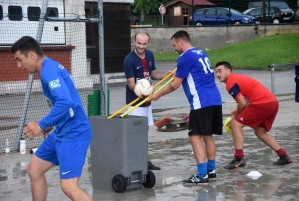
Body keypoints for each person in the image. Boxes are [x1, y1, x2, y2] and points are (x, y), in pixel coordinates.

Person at [11, 36, 92, 201]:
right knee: (34, 170)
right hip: (61, 132)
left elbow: (65, 101)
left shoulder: (48, 71)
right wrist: (53, 123)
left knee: (69, 187)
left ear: (32, 55)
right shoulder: (49, 68)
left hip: (74, 134)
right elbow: (67, 103)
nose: (19, 66)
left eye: (19, 60)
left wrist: (41, 125)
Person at [149, 30, 223, 184]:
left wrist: (157, 95)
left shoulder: (185, 57)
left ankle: (202, 174)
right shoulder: (200, 53)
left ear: (181, 41)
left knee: (194, 136)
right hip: (215, 98)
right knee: (207, 135)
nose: (174, 49)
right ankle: (211, 170)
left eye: (174, 45)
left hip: (201, 101)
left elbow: (175, 84)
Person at [215, 61, 292, 169]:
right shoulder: (237, 78)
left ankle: (239, 158)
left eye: (220, 71)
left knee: (235, 124)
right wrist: (236, 113)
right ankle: (284, 156)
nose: (217, 74)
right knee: (260, 132)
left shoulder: (230, 83)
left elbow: (242, 103)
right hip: (272, 103)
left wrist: (236, 117)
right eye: (216, 72)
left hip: (263, 103)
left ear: (228, 71)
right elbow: (245, 102)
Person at [124, 32, 169, 171]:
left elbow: (153, 73)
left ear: (148, 43)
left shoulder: (149, 54)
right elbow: (131, 83)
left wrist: (164, 76)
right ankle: (133, 162)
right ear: (134, 41)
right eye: (139, 43)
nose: (141, 47)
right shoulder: (129, 60)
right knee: (135, 133)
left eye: (144, 44)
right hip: (135, 102)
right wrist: (141, 92)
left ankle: (144, 161)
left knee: (145, 132)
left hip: (147, 101)